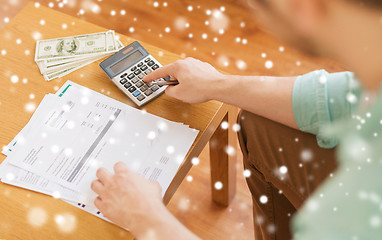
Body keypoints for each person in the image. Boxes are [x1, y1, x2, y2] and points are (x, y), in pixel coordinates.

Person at [90, 0, 382, 239]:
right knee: (262, 123)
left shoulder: (358, 213)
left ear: (303, 7)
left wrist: (145, 217)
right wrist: (216, 84)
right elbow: (340, 97)